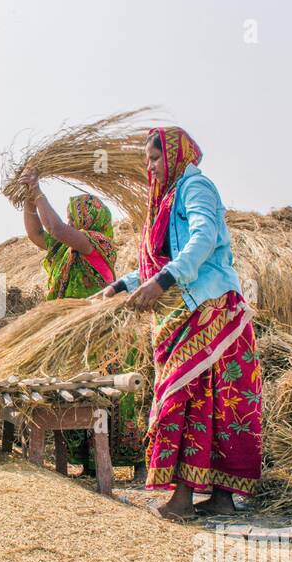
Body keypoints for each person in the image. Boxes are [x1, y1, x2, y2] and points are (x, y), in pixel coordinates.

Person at [96, 127, 261, 519]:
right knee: (211, 400)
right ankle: (218, 499)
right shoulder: (165, 201)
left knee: (187, 396)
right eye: (147, 161)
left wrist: (165, 281)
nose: (149, 167)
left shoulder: (196, 187)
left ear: (173, 156)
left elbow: (202, 239)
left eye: (154, 159)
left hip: (211, 308)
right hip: (184, 312)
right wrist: (122, 285)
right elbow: (155, 263)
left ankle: (184, 499)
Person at [20, 180, 145, 479]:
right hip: (76, 336)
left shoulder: (98, 243)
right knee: (82, 393)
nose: (70, 220)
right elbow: (37, 232)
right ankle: (91, 465)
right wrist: (27, 200)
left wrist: (37, 190)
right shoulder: (66, 248)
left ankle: (134, 463)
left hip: (103, 336)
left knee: (111, 396)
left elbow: (56, 228)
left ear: (88, 219)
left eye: (74, 215)